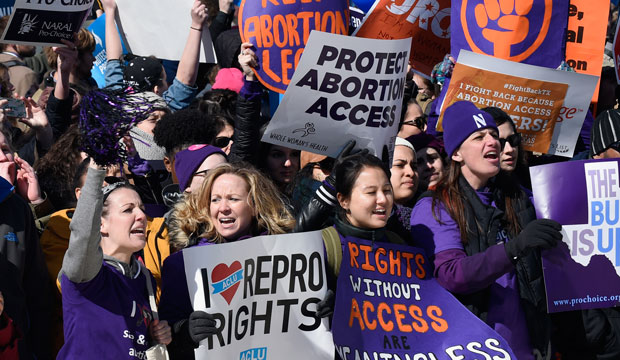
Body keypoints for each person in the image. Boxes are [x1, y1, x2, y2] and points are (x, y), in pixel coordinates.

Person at [410, 101, 562, 360]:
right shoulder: (435, 206)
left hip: (529, 348)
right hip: (475, 348)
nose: (492, 142)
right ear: (456, 153)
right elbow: (452, 275)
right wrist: (514, 248)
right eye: (479, 137)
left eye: (494, 135)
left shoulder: (517, 198)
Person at [159, 163, 294, 359]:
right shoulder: (182, 264)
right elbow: (165, 332)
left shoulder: (284, 255)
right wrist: (185, 331)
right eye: (215, 200)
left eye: (233, 199)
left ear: (255, 206)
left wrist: (320, 305)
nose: (223, 208)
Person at [57, 161, 171, 358]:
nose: (141, 216)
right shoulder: (87, 273)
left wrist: (156, 335)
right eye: (128, 210)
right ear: (100, 224)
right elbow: (83, 234)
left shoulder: (144, 277)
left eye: (142, 208)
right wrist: (95, 170)